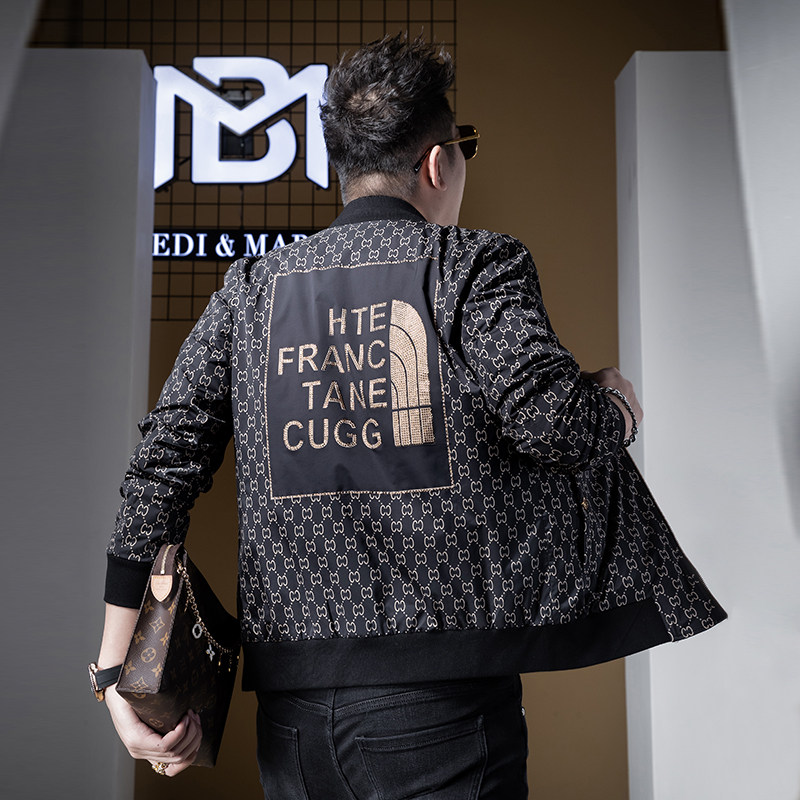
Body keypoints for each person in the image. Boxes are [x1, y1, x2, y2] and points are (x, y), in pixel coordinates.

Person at [91, 34, 725, 799]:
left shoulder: (250, 291)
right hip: (443, 711)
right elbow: (553, 423)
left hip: (292, 723)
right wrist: (616, 403)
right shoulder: (473, 266)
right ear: (436, 163)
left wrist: (115, 675)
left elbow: (160, 469)